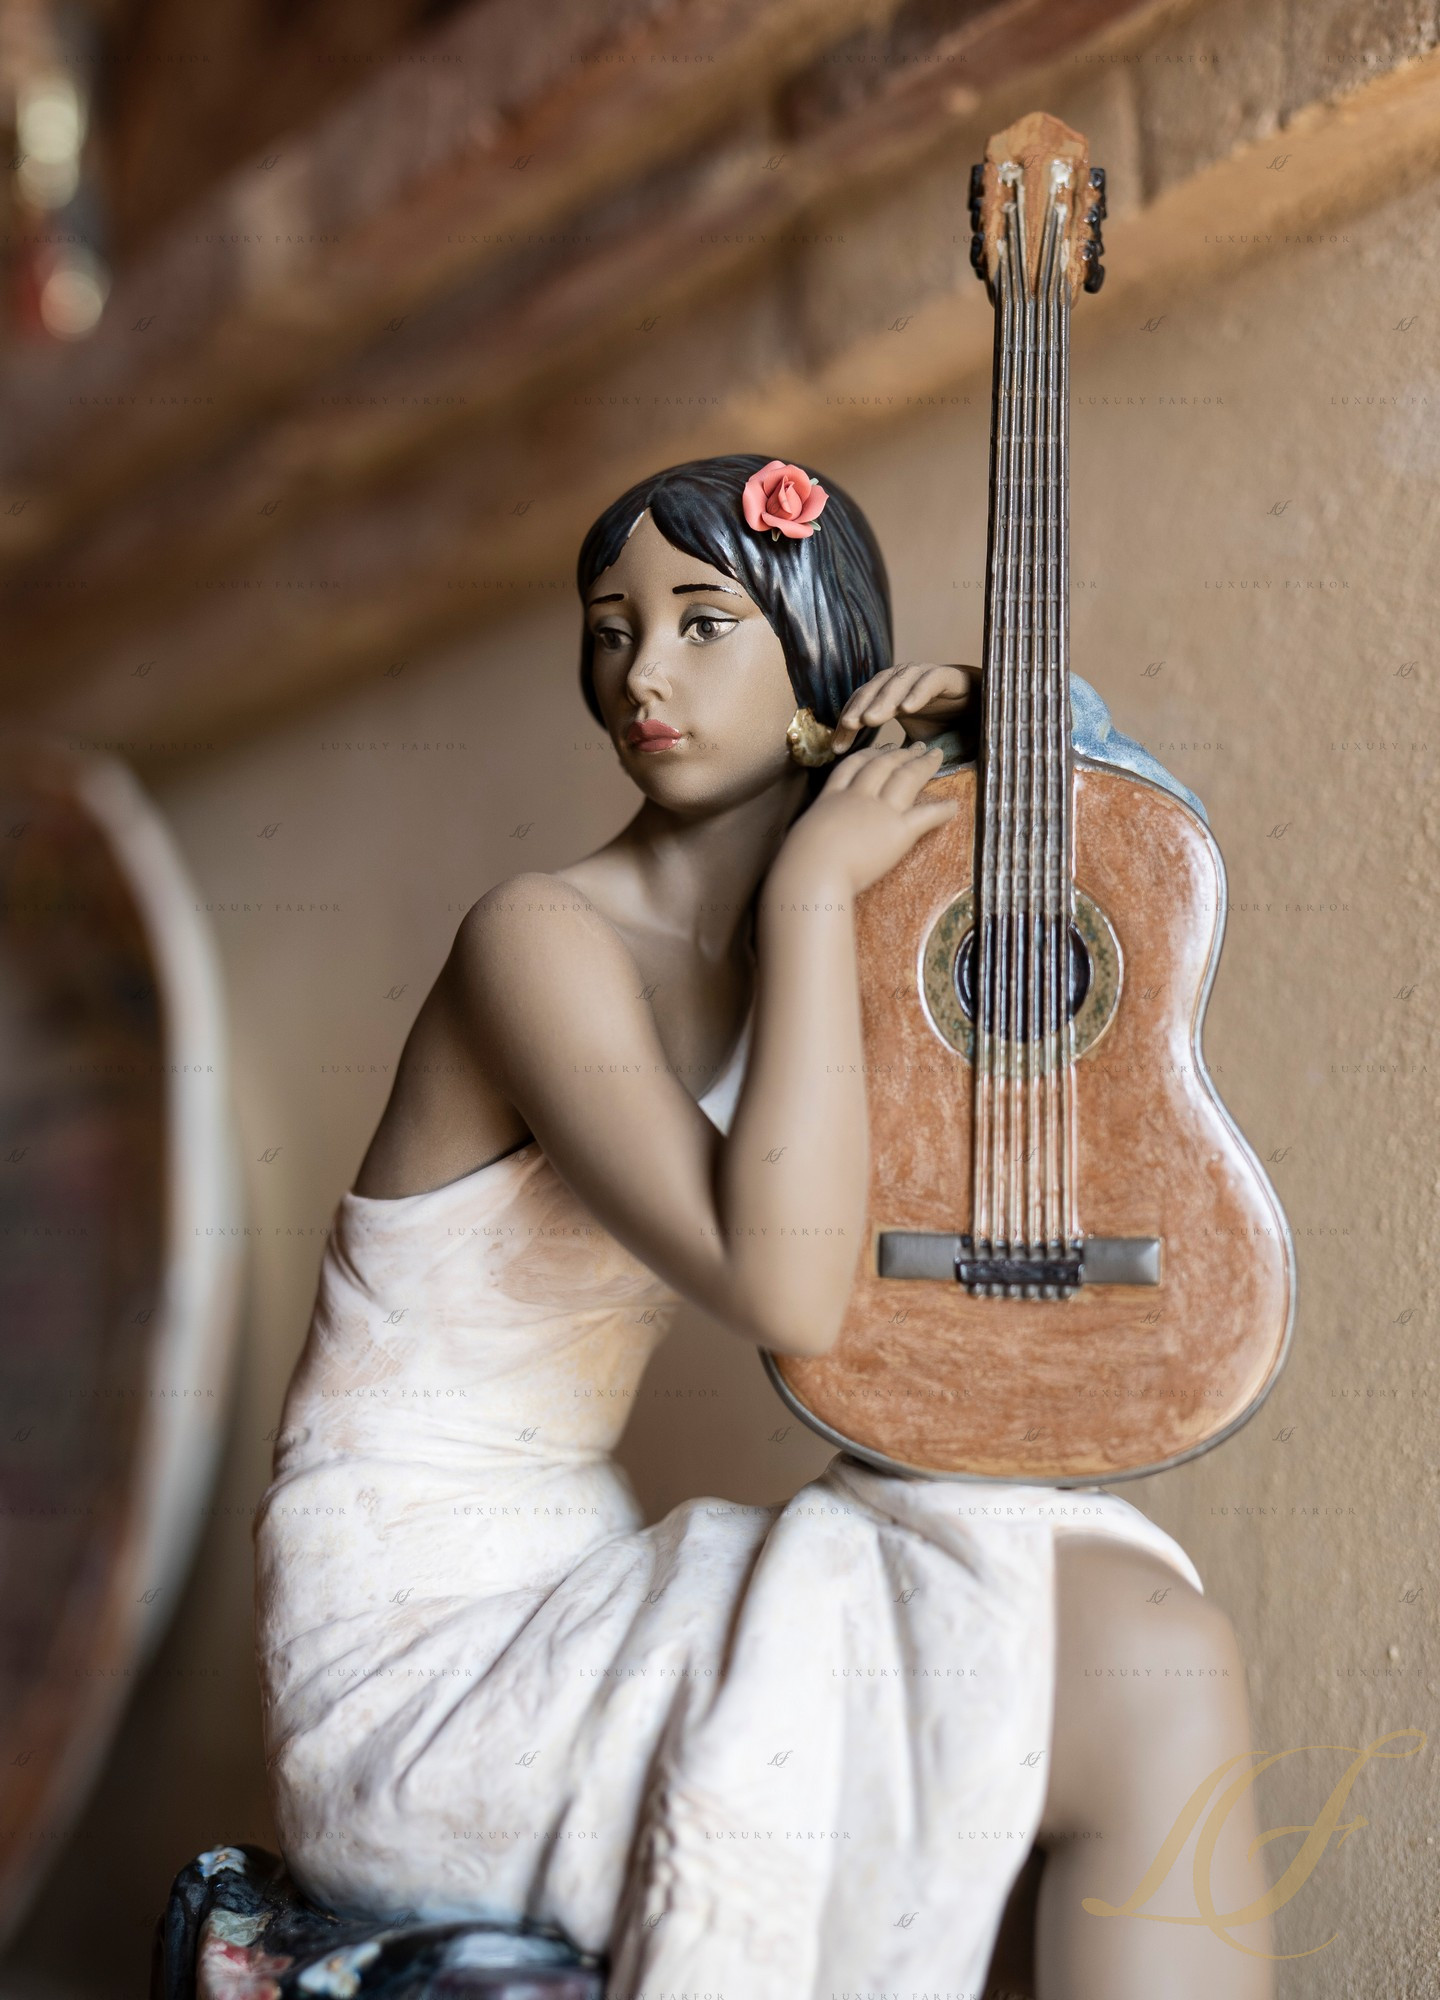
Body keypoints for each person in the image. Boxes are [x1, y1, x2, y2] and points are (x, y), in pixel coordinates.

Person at [254, 454, 1274, 1998]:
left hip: (576, 1573)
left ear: (819, 649)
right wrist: (807, 900)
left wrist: (1016, 719)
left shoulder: (845, 906)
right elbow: (786, 1289)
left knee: (1134, 1654)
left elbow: (1141, 869)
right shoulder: (538, 939)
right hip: (419, 1666)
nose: (641, 675)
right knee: (1121, 1687)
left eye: (701, 621)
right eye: (611, 630)